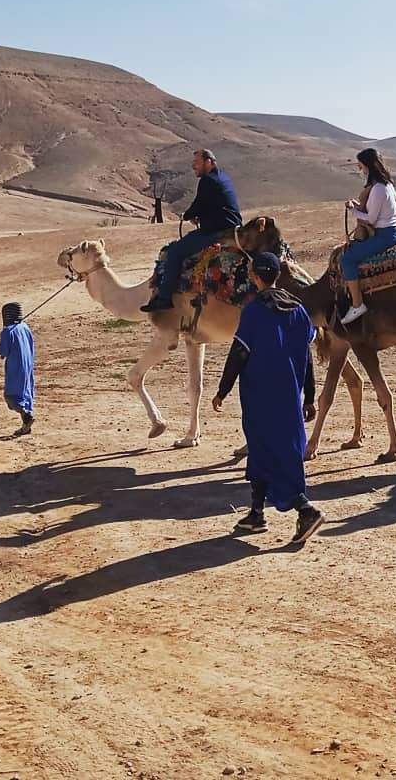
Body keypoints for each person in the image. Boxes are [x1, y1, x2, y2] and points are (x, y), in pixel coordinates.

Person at [212, 252, 325, 543]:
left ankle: (306, 509)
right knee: (265, 451)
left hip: (261, 396)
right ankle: (256, 513)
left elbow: (239, 353)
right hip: (291, 397)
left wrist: (222, 390)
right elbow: (307, 356)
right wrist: (309, 397)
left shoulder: (254, 311)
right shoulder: (298, 310)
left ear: (256, 277)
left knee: (273, 453)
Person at [140, 149, 242, 312]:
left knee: (175, 252)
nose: (193, 166)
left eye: (197, 162)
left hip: (218, 231)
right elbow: (212, 205)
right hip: (229, 227)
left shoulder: (208, 180)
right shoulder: (222, 176)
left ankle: (165, 298)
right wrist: (199, 215)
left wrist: (187, 215)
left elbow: (198, 205)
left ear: (208, 162)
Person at [340, 148, 396, 325]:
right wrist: (357, 205)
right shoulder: (387, 185)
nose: (361, 171)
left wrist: (353, 210)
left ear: (368, 165)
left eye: (361, 166)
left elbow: (371, 219)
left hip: (385, 235)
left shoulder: (378, 189)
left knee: (348, 260)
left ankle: (357, 303)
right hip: (390, 232)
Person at [0, 302, 35, 436]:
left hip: (15, 366)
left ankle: (26, 417)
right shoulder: (25, 327)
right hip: (28, 365)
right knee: (26, 392)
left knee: (12, 396)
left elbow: (3, 353)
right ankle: (26, 426)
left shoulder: (7, 332)